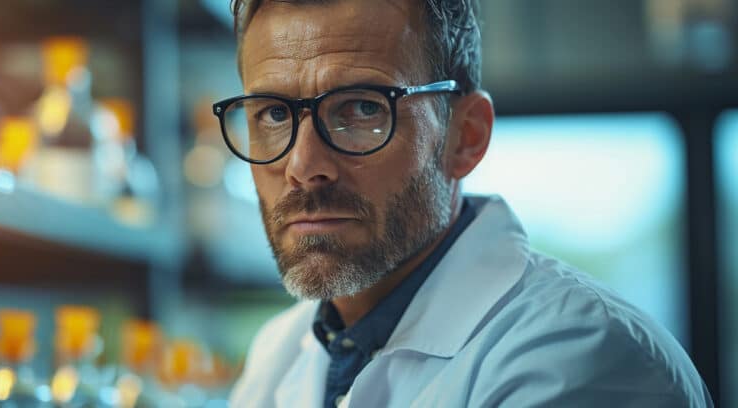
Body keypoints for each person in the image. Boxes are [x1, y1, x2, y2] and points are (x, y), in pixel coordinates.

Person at [214, 0, 713, 406]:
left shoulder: (579, 358)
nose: (303, 164)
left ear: (465, 137)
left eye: (362, 108)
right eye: (275, 113)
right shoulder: (276, 355)